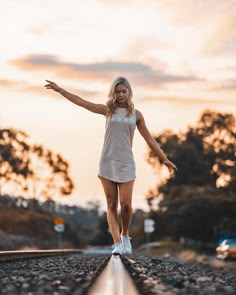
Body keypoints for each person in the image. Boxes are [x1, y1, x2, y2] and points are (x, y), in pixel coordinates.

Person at [44, 76, 177, 255]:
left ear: (129, 92)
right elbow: (82, 102)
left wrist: (164, 159)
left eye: (124, 91)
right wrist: (60, 90)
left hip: (126, 163)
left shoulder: (136, 115)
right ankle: (116, 244)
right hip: (107, 162)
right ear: (113, 93)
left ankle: (125, 236)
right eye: (118, 91)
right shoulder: (107, 110)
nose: (121, 94)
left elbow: (149, 139)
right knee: (112, 204)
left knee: (127, 205)